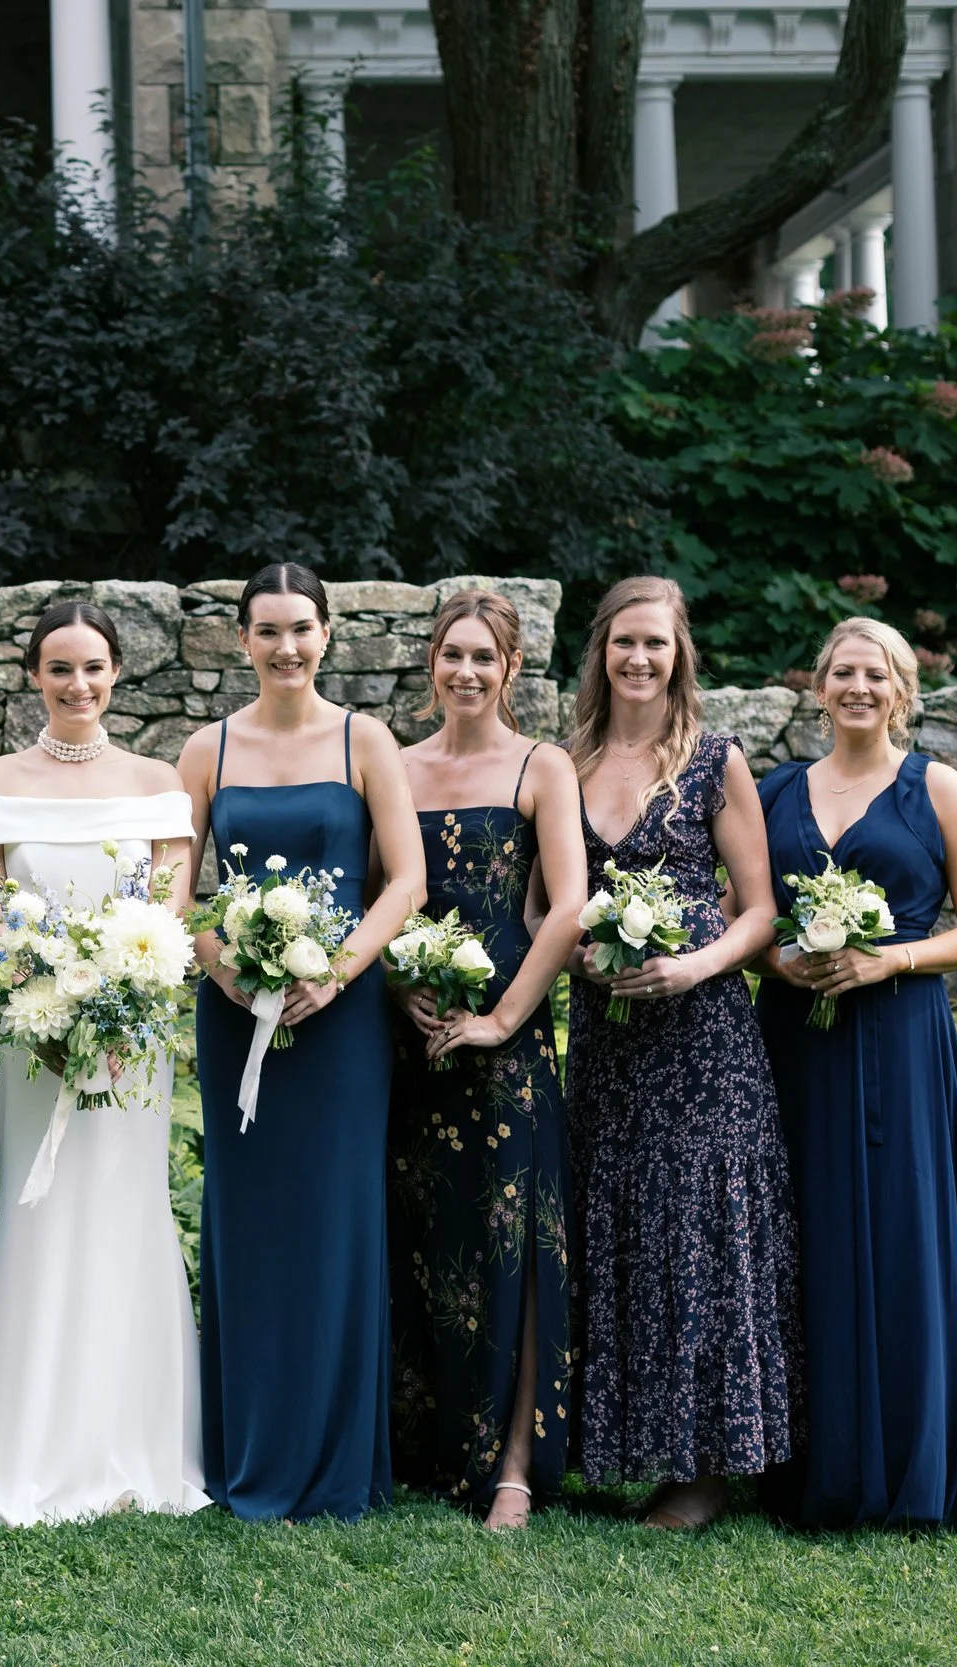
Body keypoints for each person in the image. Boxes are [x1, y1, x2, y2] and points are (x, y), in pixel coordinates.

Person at [0, 601, 210, 1526]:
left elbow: (169, 909)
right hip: (36, 1035)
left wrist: (121, 998)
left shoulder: (155, 778)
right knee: (41, 1207)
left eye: (93, 667)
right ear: (33, 677)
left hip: (129, 1042)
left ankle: (135, 1444)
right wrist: (38, 991)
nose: (79, 685)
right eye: (60, 669)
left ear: (117, 673)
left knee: (125, 1209)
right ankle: (33, 1447)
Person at [756, 618, 957, 1530]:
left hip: (902, 1044)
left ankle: (912, 1457)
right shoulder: (773, 791)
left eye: (876, 673)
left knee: (902, 1232)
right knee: (804, 1232)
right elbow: (744, 917)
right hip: (796, 1042)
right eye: (842, 672)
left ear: (903, 690)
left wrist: (890, 960)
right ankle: (804, 1458)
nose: (858, 686)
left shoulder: (936, 788)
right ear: (819, 687)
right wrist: (778, 961)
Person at [176, 562, 425, 1524]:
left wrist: (341, 969)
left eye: (302, 628)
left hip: (341, 1019)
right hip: (234, 1010)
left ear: (330, 635)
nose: (287, 647)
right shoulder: (208, 748)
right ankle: (246, 1449)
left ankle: (334, 1464)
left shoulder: (368, 741)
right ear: (242, 641)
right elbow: (175, 889)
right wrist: (221, 966)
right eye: (268, 630)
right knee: (248, 1223)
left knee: (336, 1223)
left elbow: (402, 881)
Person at [562, 576, 801, 1530]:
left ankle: (708, 1468)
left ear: (679, 654)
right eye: (624, 642)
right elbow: (546, 899)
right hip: (607, 1037)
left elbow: (761, 908)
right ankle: (620, 1446)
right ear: (601, 651)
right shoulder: (566, 759)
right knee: (617, 1223)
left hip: (703, 1043)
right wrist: (574, 945)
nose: (639, 659)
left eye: (655, 644)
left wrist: (695, 967)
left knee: (700, 1231)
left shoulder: (712, 760)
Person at [388, 587, 588, 1530]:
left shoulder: (541, 766)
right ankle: (427, 1440)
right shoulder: (394, 763)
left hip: (506, 1043)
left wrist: (505, 1019)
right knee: (424, 1235)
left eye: (484, 657)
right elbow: (380, 894)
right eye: (451, 654)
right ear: (431, 661)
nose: (465, 672)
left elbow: (569, 907)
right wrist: (398, 987)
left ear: (512, 669)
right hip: (413, 1038)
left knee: (515, 1239)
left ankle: (512, 1461)